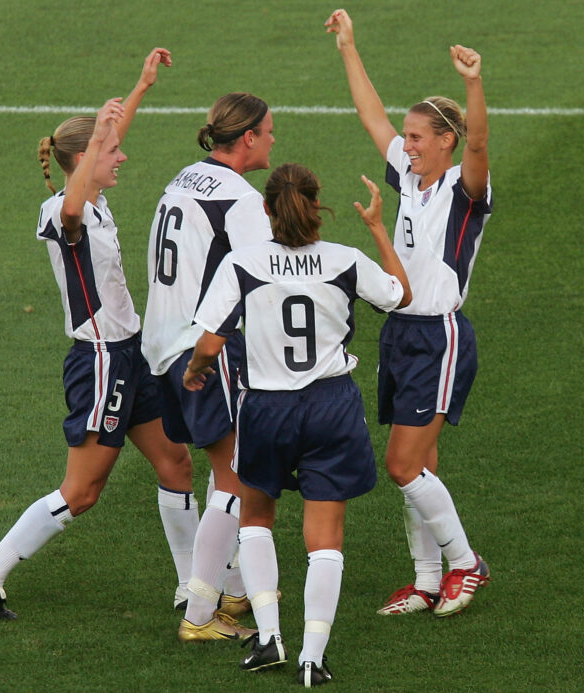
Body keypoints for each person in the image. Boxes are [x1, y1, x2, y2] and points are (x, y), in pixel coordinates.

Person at [0, 50, 200, 621]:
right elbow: (72, 205)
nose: (122, 155)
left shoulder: (97, 201)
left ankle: (193, 587)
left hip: (130, 356)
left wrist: (139, 87)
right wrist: (98, 139)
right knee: (82, 491)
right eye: (111, 151)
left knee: (176, 464)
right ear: (83, 160)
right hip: (100, 364)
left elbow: (98, 160)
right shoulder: (61, 212)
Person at [182, 163, 411, 684]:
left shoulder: (243, 262)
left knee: (257, 517)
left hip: (266, 408)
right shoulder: (344, 261)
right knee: (325, 537)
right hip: (332, 406)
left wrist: (196, 371)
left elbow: (210, 343)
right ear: (316, 207)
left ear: (266, 210)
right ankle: (313, 656)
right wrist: (377, 227)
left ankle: (269, 640)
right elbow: (401, 295)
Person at [325, 8, 493, 618]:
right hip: (399, 333)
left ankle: (466, 563)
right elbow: (371, 116)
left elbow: (478, 142)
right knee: (420, 466)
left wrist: (473, 83)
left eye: (418, 136)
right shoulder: (412, 178)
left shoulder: (464, 190)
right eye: (407, 137)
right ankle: (425, 581)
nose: (406, 143)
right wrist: (349, 46)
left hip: (439, 337)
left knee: (400, 465)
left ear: (444, 141)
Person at [141, 92, 275, 642]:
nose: (272, 140)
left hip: (161, 345)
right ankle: (201, 614)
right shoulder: (240, 199)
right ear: (247, 139)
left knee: (228, 472)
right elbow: (264, 278)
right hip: (203, 349)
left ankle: (238, 588)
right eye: (268, 132)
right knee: (236, 479)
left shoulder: (184, 179)